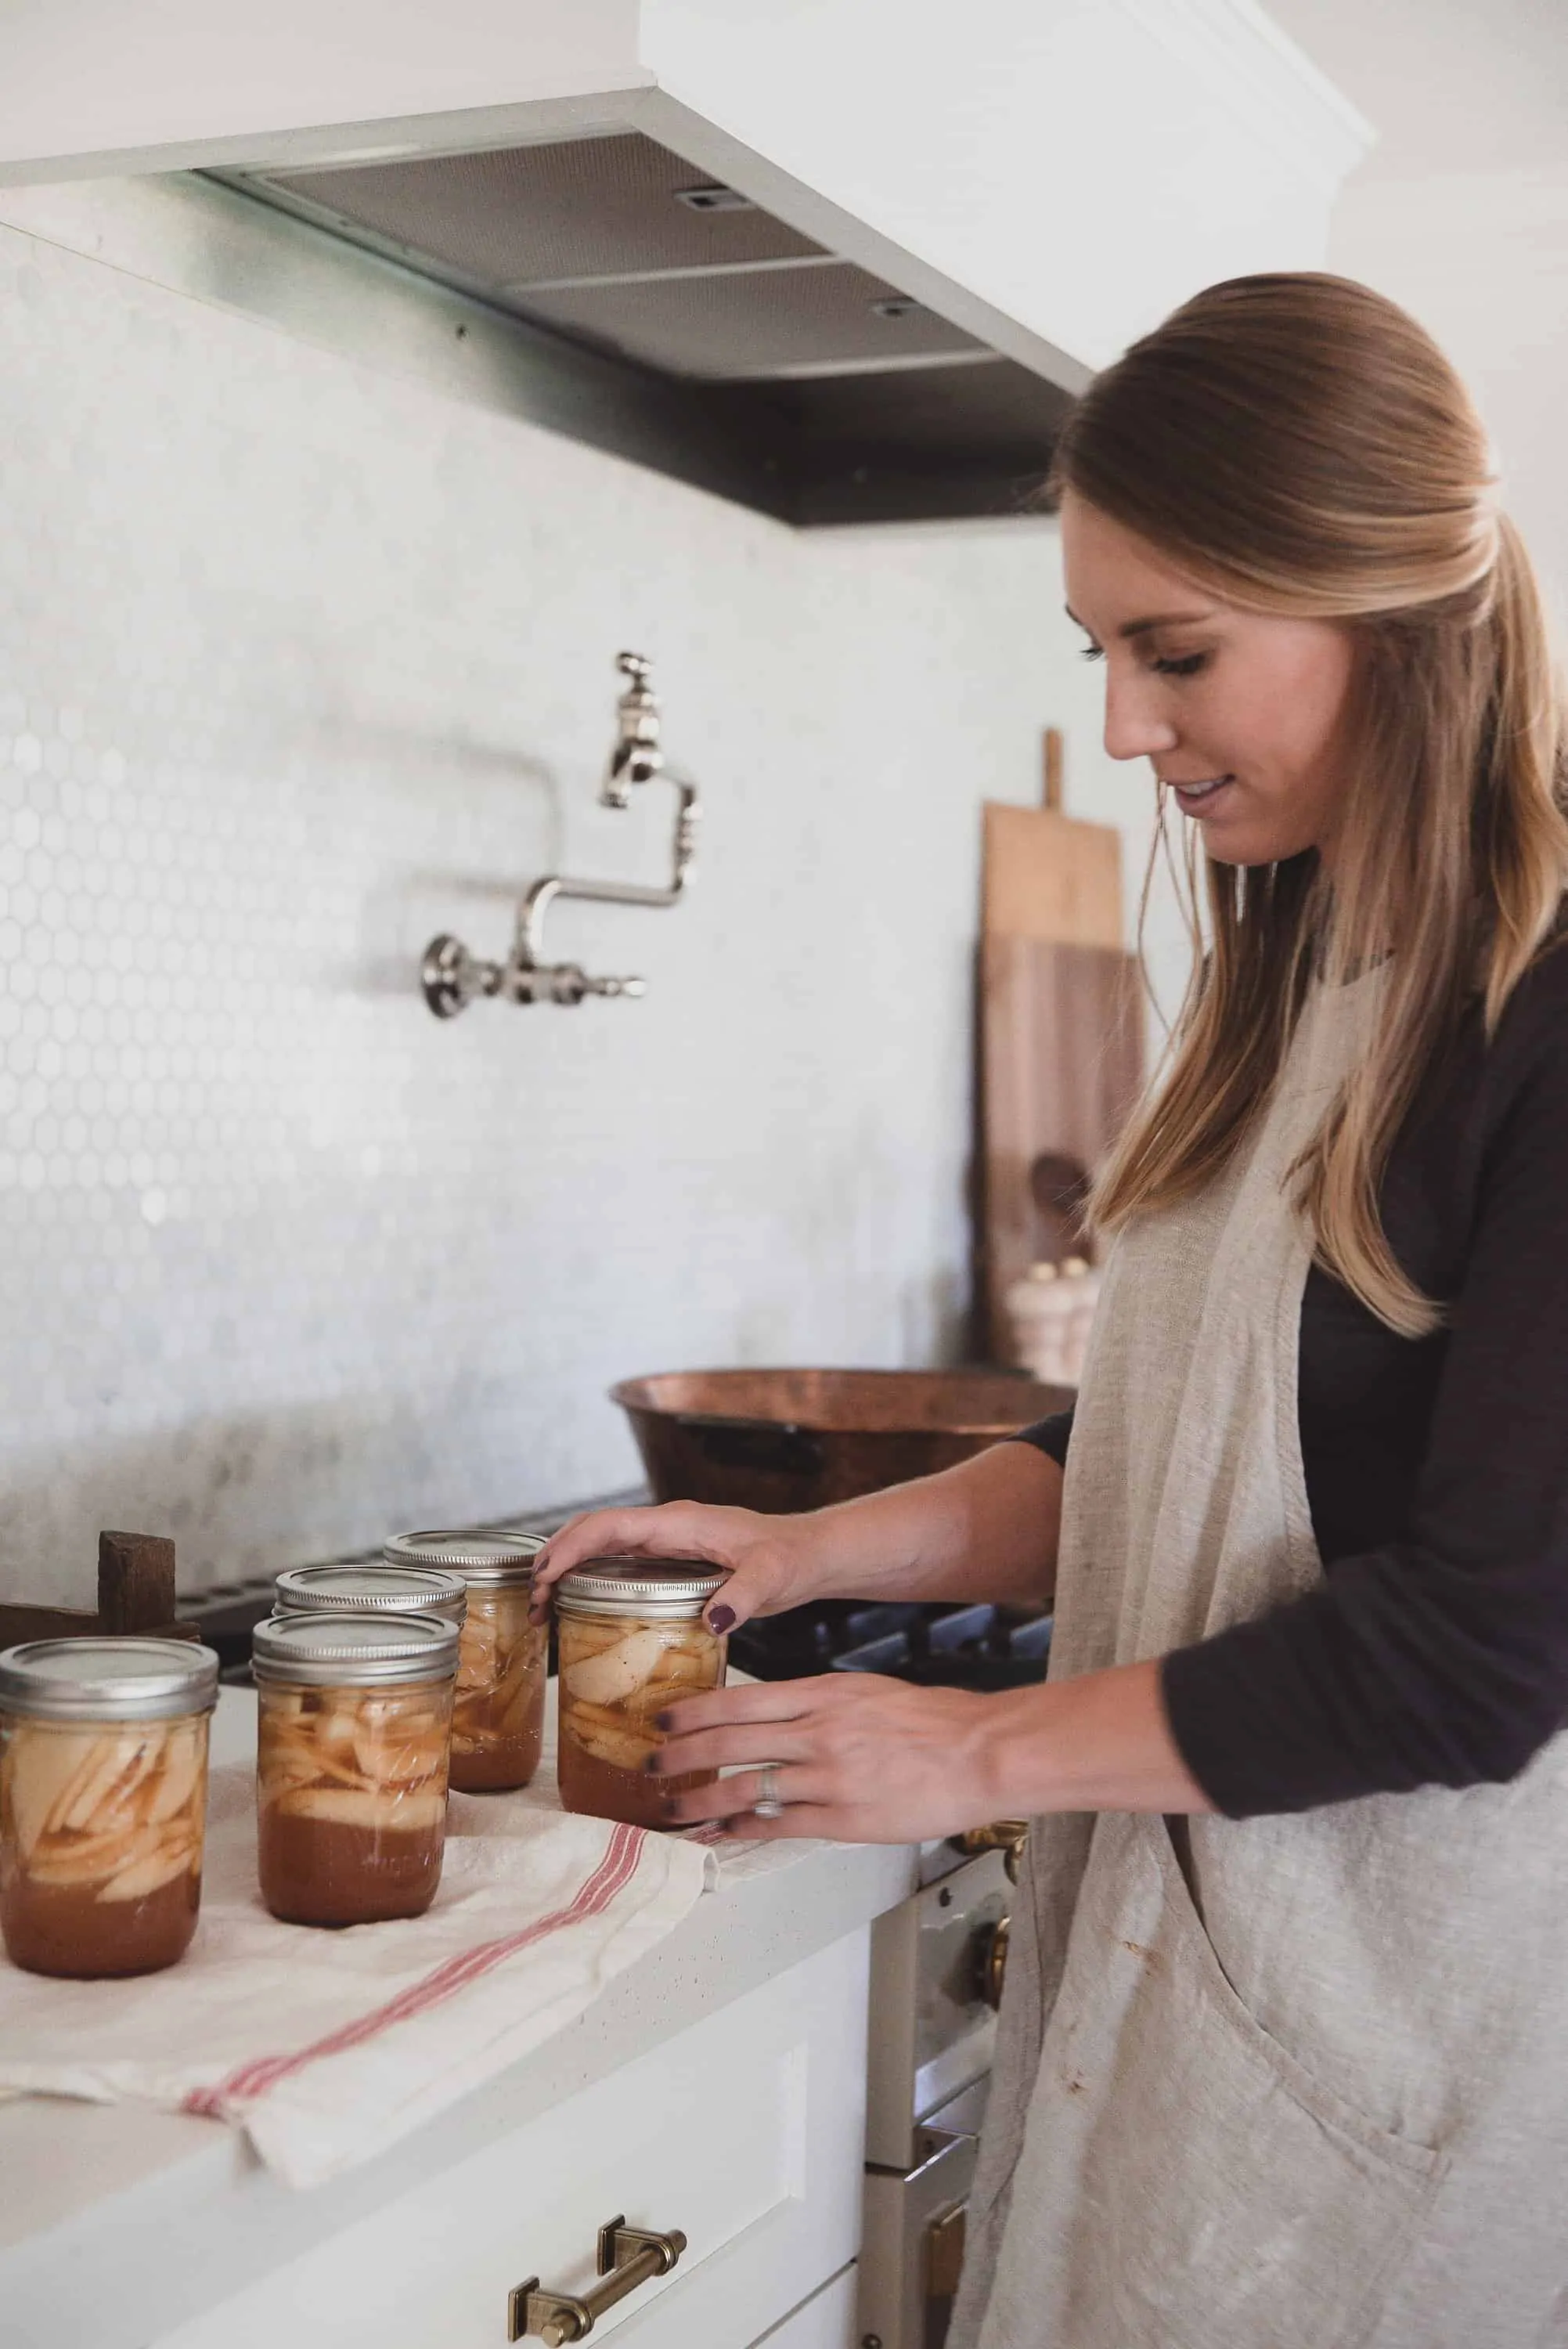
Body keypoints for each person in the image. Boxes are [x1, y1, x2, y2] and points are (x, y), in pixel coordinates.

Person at [532, 274, 1568, 2347]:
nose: (1119, 725)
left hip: (1387, 2055)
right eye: (1101, 650)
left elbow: (1489, 1648)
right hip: (1201, 1995)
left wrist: (979, 1752)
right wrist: (818, 1545)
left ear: (1395, 604)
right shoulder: (1302, 984)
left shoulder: (1540, 1017)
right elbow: (1173, 1452)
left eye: (1175, 651)